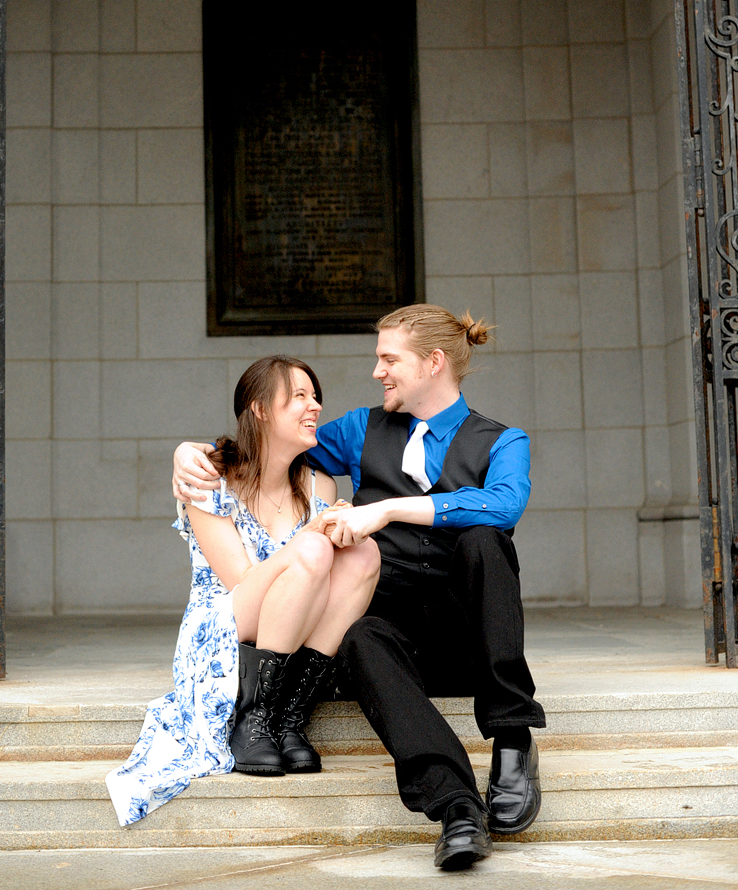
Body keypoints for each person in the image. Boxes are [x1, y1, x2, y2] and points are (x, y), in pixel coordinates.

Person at [172, 304, 544, 873]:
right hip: (393, 639)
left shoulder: (501, 441)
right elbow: (271, 446)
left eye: (388, 358)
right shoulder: (360, 430)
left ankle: (513, 742)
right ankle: (457, 809)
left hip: (466, 635)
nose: (378, 371)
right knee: (362, 637)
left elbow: (505, 503)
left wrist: (387, 509)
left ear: (433, 363)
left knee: (486, 543)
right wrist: (191, 453)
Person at [107, 354, 380, 827]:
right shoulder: (209, 476)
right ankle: (255, 720)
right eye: (298, 396)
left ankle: (290, 718)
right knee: (313, 551)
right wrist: (310, 538)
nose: (314, 405)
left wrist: (336, 529)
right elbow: (241, 582)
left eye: (316, 396)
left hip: (293, 621)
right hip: (222, 626)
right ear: (259, 409)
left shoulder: (319, 483)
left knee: (365, 553)